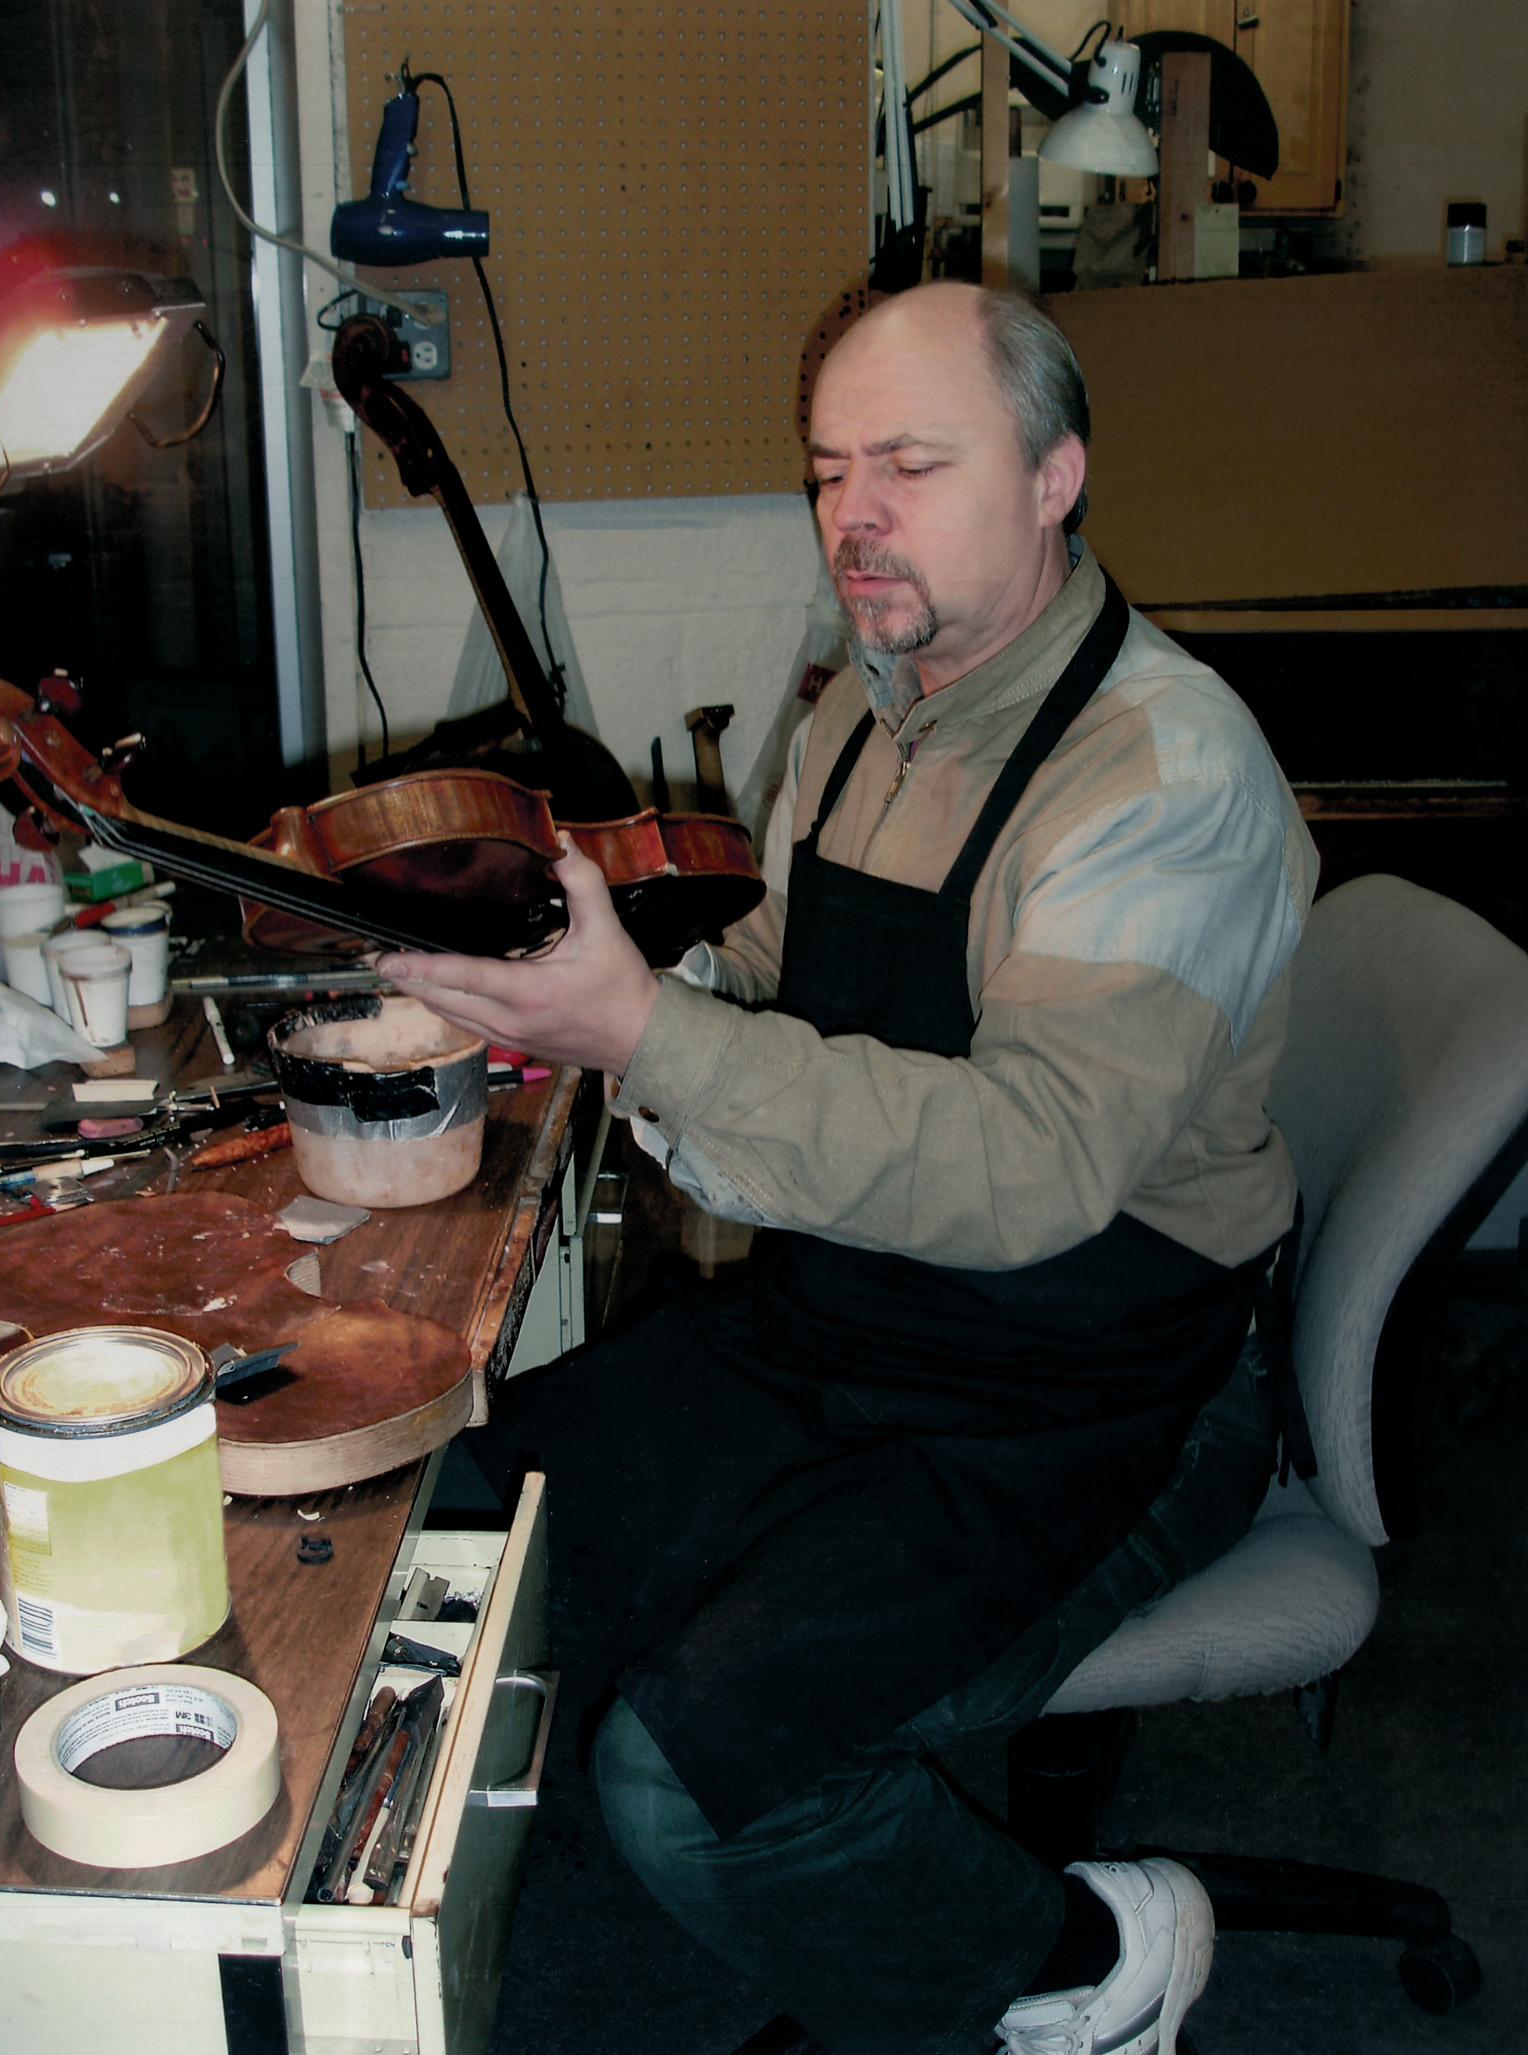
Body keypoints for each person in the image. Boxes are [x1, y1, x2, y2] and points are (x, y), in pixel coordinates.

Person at [376, 281, 1319, 2055]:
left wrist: (647, 1038)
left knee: (692, 1776)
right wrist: (570, 987)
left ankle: (1093, 1957)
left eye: (909, 463)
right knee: (461, 1525)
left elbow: (1034, 1165)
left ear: (1055, 475)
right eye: (826, 471)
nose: (852, 515)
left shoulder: (1162, 774)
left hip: (1100, 1390)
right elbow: (783, 1005)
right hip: (857, 1322)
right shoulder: (865, 715)